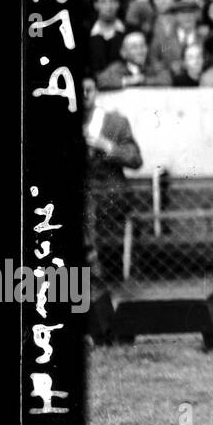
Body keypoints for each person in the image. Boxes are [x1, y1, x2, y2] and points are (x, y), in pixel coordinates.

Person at [82, 75, 143, 284]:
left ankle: (92, 271)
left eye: (88, 89)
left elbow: (135, 159)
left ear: (96, 91)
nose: (83, 95)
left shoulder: (115, 122)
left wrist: (108, 146)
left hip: (112, 196)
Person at [95, 30, 171, 90]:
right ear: (123, 53)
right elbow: (101, 81)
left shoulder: (154, 66)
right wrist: (128, 81)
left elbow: (167, 80)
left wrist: (143, 80)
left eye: (142, 46)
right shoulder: (116, 67)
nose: (140, 51)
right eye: (134, 47)